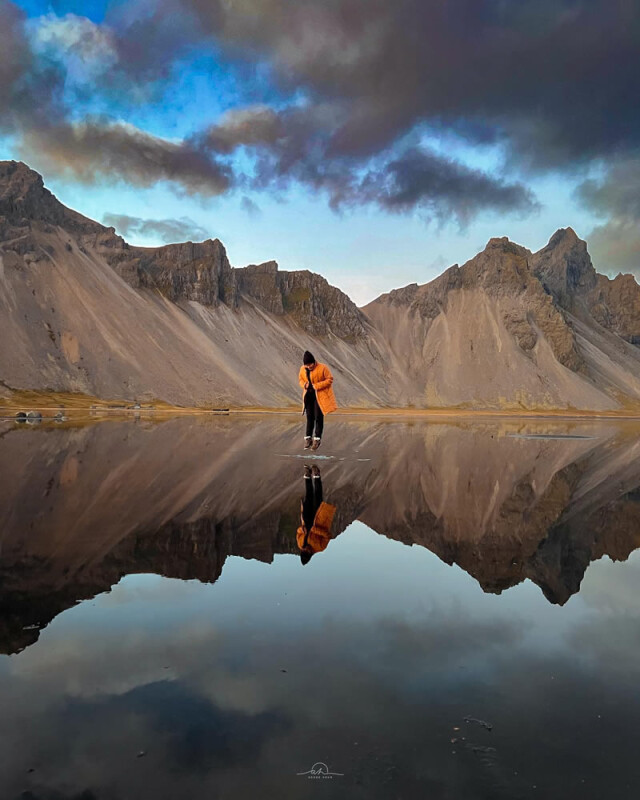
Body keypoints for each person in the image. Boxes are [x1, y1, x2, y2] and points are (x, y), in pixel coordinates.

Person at [297, 465, 336, 565]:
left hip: (306, 520)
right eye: (307, 551)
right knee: (318, 497)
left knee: (308, 498)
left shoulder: (300, 544)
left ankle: (307, 476)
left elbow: (298, 532)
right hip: (318, 520)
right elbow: (328, 536)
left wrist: (302, 529)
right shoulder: (320, 547)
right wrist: (315, 530)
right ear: (310, 554)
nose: (305, 548)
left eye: (303, 550)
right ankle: (317, 475)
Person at [298, 350, 337, 450]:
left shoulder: (323, 367)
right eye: (307, 365)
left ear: (314, 361)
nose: (309, 366)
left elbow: (330, 379)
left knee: (318, 417)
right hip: (309, 395)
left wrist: (317, 386)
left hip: (320, 396)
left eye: (310, 364)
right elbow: (300, 380)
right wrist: (304, 385)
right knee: (309, 417)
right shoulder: (302, 369)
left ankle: (317, 439)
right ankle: (308, 438)